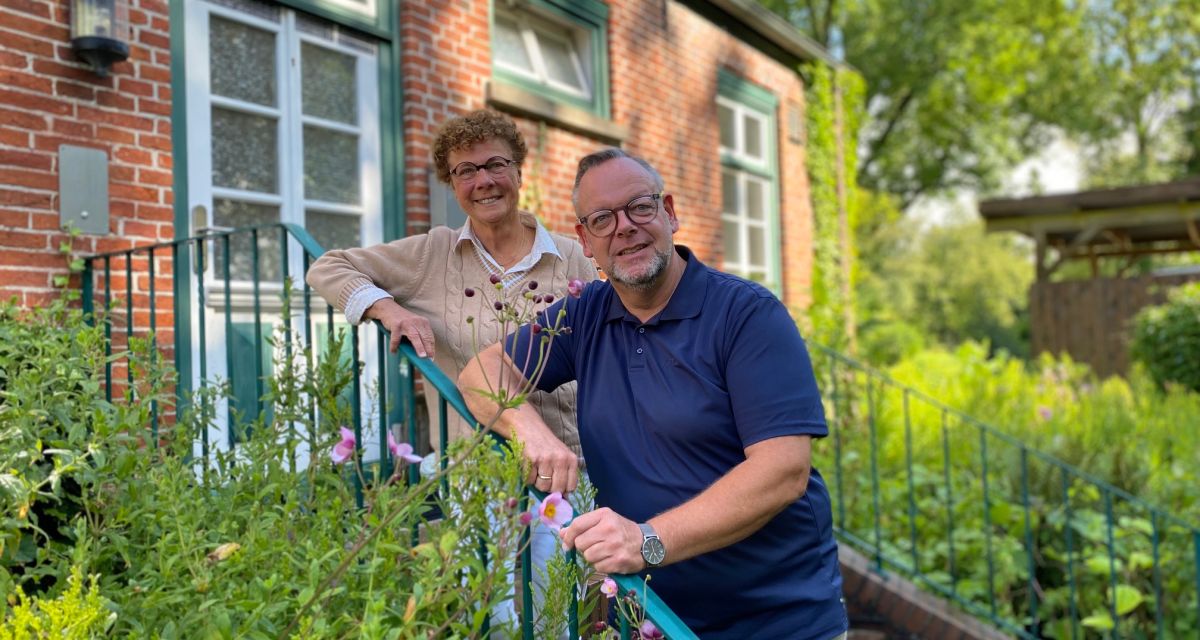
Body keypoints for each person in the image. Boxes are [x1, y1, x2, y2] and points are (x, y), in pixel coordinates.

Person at [458, 148, 848, 639]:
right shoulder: (584, 315)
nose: (624, 227)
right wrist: (529, 431)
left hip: (777, 621)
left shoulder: (747, 315)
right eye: (602, 219)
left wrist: (646, 542)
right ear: (586, 240)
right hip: (652, 620)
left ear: (670, 212)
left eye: (639, 207)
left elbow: (783, 471)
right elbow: (480, 371)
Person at [306, 109, 597, 634]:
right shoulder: (435, 253)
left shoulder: (570, 257)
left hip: (560, 469)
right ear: (452, 182)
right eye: (466, 170)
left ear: (518, 171)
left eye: (495, 164)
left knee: (556, 616)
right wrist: (388, 308)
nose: (483, 180)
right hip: (474, 473)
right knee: (492, 615)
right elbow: (327, 266)